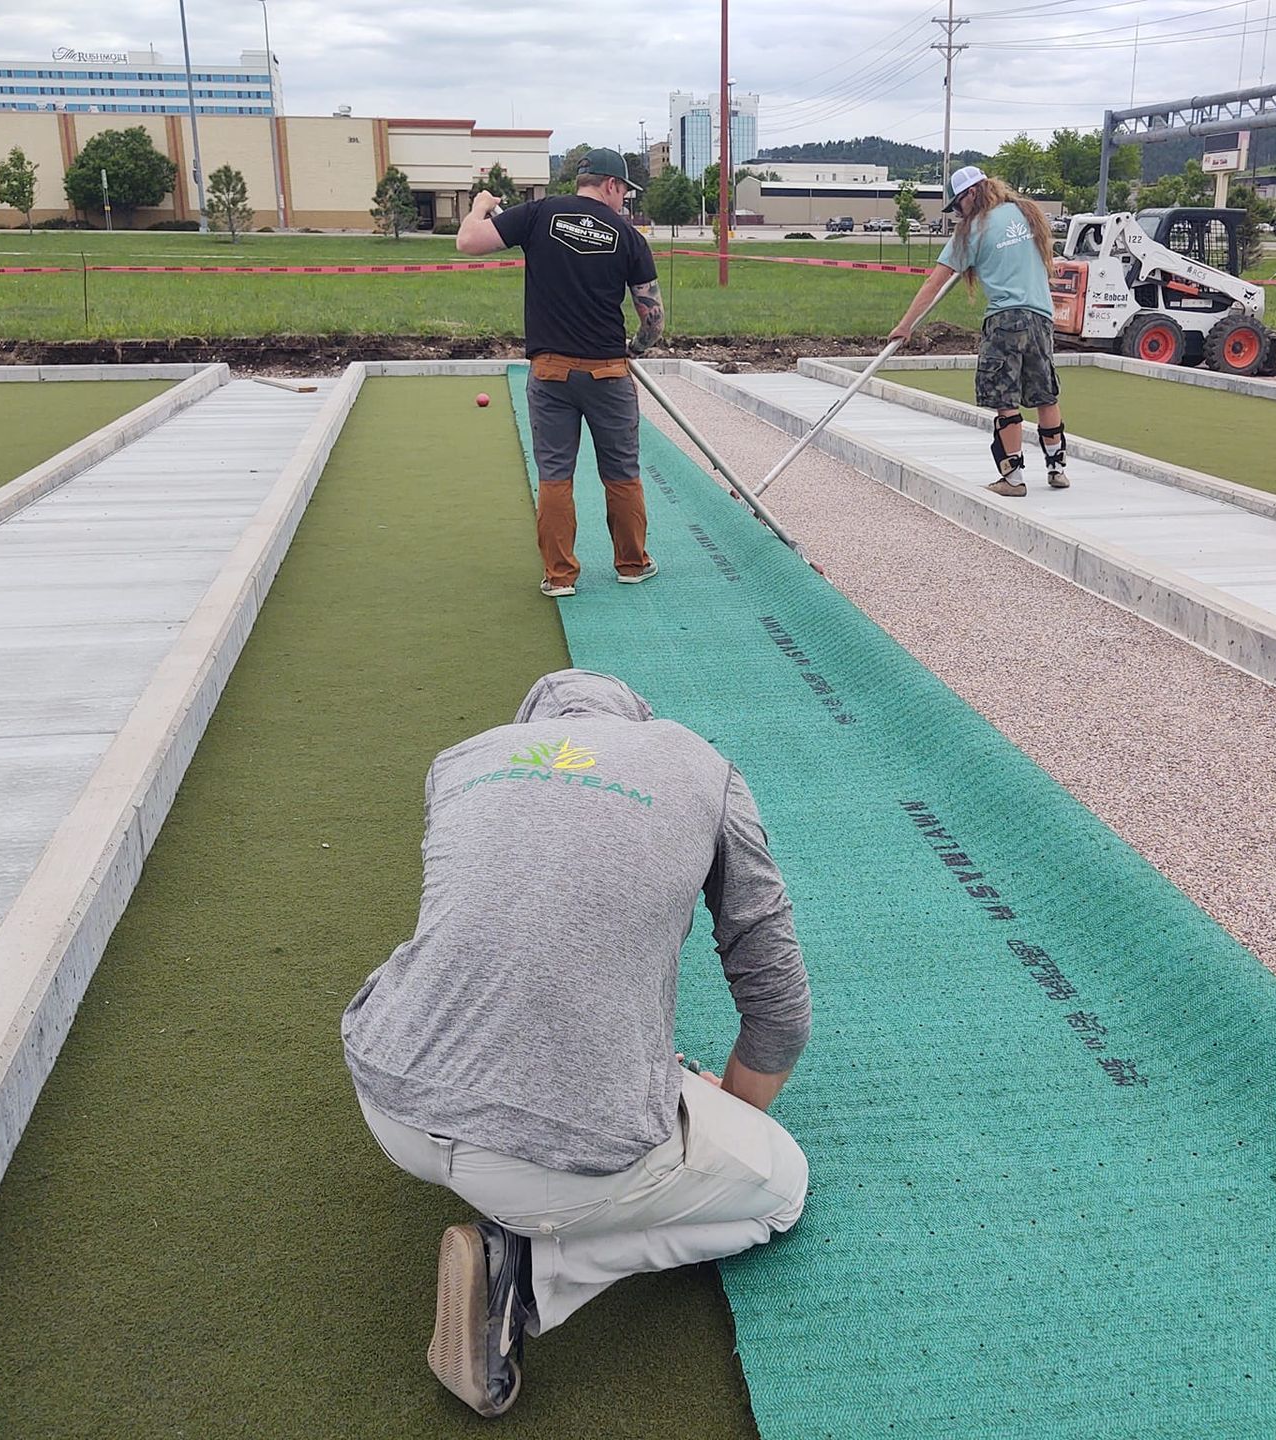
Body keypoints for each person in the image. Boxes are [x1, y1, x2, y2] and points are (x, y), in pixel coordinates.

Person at [341, 669, 813, 1418]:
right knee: (781, 1192)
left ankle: (519, 1210)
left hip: (388, 1091)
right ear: (637, 722)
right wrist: (743, 1120)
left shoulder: (463, 757)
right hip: (553, 1152)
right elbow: (779, 1007)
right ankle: (530, 1267)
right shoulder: (700, 765)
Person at [457, 150, 666, 597]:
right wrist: (636, 350)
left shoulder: (537, 214)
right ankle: (632, 564)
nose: (625, 199)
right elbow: (654, 318)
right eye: (625, 190)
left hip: (550, 374)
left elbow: (468, 242)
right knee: (622, 472)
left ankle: (559, 577)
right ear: (611, 185)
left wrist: (478, 207)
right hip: (609, 372)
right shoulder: (628, 237)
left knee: (555, 475)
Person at [888, 165, 1068, 497]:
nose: (957, 213)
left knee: (1004, 398)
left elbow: (934, 283)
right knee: (1045, 393)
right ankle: (1057, 468)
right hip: (1041, 317)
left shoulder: (972, 230)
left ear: (971, 194)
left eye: (957, 205)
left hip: (1004, 321)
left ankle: (1013, 478)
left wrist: (905, 325)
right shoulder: (1026, 212)